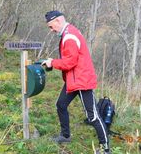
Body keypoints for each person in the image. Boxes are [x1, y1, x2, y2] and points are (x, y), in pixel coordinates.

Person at [42, 10, 110, 154]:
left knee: (93, 117)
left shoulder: (69, 36)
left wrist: (52, 63)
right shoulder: (68, 32)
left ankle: (105, 149)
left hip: (81, 80)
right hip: (74, 79)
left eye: (51, 26)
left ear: (58, 21)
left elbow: (69, 62)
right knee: (61, 105)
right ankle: (65, 136)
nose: (51, 30)